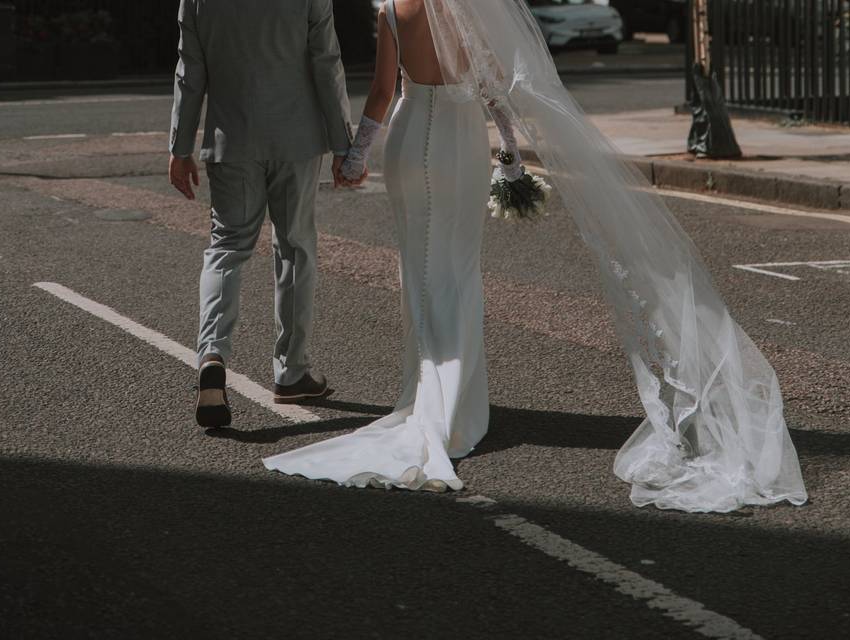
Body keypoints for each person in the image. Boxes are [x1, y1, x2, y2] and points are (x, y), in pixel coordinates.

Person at [265, 0, 809, 513]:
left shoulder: (393, 7)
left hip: (410, 142)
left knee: (419, 270)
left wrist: (357, 153)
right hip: (459, 141)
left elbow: (384, 91)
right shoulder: (471, 10)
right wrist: (511, 156)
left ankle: (420, 396)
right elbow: (495, 90)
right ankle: (455, 413)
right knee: (457, 267)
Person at [168, 0, 361, 429]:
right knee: (295, 247)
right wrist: (343, 144)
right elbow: (326, 62)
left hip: (230, 140)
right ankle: (292, 372)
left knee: (226, 248)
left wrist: (180, 147)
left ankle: (212, 354)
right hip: (297, 138)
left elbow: (190, 72)